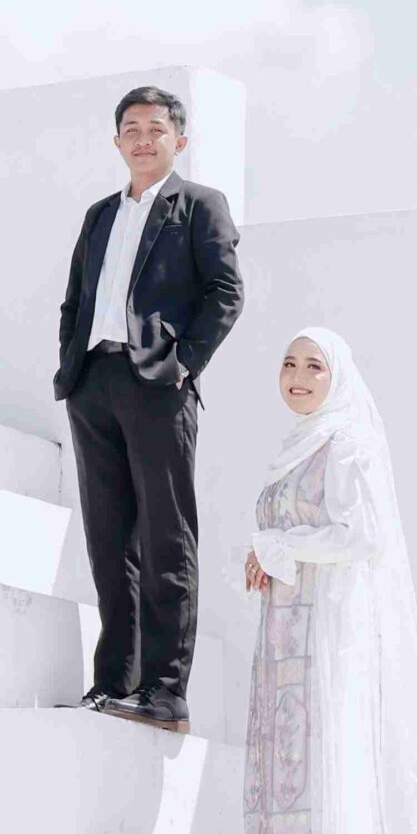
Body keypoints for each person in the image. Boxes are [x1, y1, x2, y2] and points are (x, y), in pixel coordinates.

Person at [241, 327, 417, 834]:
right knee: (282, 788)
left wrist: (279, 547)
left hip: (324, 642)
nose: (298, 376)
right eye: (288, 363)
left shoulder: (348, 444)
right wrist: (266, 554)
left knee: (323, 783)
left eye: (313, 366)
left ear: (338, 377)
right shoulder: (295, 447)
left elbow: (365, 536)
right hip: (281, 644)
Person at [54, 85, 244, 732]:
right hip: (92, 383)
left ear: (178, 140)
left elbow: (225, 291)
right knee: (109, 541)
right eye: (131, 128)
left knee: (167, 537)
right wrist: (71, 367)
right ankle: (114, 683)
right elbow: (74, 301)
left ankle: (165, 693)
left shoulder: (199, 205)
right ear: (116, 141)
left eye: (155, 128)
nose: (142, 139)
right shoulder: (99, 215)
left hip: (158, 384)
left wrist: (183, 363)